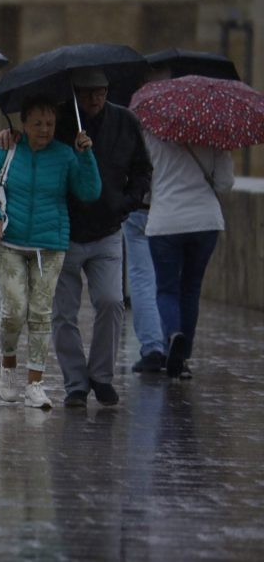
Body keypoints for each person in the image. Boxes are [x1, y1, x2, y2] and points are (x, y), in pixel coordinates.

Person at [0, 96, 101, 409]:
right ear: (24, 124)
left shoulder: (65, 156)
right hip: (10, 242)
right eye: (38, 124)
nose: (45, 130)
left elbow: (89, 192)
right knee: (15, 309)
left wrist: (86, 157)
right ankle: (8, 368)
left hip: (50, 245)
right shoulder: (7, 149)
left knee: (41, 315)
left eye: (50, 124)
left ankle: (36, 385)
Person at [51, 67, 152, 408]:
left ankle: (102, 376)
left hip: (108, 230)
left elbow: (142, 168)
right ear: (74, 93)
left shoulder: (125, 122)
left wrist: (126, 203)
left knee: (110, 301)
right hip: (65, 232)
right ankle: (75, 383)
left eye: (101, 92)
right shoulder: (59, 123)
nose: (95, 99)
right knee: (63, 313)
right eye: (88, 92)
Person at [144, 131, 234, 378]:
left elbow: (145, 179)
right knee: (191, 288)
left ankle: (173, 335)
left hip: (165, 222)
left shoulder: (152, 136)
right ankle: (182, 360)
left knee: (166, 289)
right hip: (205, 222)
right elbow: (225, 184)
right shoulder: (214, 136)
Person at [124, 64, 172, 373]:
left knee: (142, 279)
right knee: (170, 284)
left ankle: (153, 346)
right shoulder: (180, 129)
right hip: (172, 213)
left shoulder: (133, 123)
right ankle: (173, 344)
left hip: (140, 210)